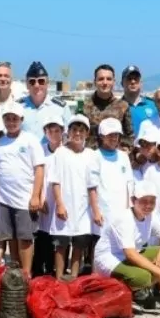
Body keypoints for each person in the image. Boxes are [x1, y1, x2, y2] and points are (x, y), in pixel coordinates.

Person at [92, 181, 160, 311]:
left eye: (152, 201)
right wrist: (159, 272)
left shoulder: (150, 216)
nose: (148, 206)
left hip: (133, 254)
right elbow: (130, 254)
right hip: (110, 258)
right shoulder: (124, 218)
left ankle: (140, 291)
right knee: (142, 276)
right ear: (133, 200)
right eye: (144, 201)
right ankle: (132, 292)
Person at [0, 102, 46, 275]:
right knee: (10, 237)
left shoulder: (30, 140)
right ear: (3, 120)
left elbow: (39, 169)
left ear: (21, 120)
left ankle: (26, 274)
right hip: (3, 200)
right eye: (8, 119)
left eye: (15, 119)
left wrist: (35, 196)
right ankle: (15, 271)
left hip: (24, 200)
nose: (11, 122)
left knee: (25, 238)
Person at [46, 115, 100, 280]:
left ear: (87, 133)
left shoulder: (91, 154)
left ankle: (74, 278)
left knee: (79, 244)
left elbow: (92, 186)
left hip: (83, 209)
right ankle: (59, 277)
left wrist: (95, 210)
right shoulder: (60, 152)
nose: (77, 133)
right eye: (74, 130)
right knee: (61, 245)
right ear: (68, 132)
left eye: (81, 130)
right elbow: (55, 181)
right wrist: (60, 204)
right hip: (64, 205)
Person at [33, 113, 66, 277]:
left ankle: (57, 272)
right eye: (50, 130)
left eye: (57, 130)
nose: (54, 134)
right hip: (44, 201)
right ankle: (39, 272)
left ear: (62, 131)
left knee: (60, 239)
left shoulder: (67, 152)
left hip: (61, 202)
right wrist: (39, 196)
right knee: (42, 237)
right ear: (45, 132)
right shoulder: (40, 151)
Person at [93, 119, 134, 237]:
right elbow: (92, 187)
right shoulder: (94, 156)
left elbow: (129, 183)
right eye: (109, 135)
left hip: (122, 211)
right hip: (103, 211)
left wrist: (130, 208)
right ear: (101, 136)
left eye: (116, 135)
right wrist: (96, 211)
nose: (113, 138)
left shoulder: (124, 156)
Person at [81, 64, 134, 145]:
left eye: (109, 79)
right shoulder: (84, 106)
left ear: (113, 82)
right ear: (95, 82)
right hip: (91, 155)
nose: (105, 82)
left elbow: (130, 137)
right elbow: (77, 133)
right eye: (101, 79)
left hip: (114, 155)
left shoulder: (123, 106)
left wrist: (125, 149)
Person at [19, 61, 68, 139]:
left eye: (41, 81)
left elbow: (68, 135)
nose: (37, 85)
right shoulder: (18, 107)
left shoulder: (61, 107)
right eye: (32, 82)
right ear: (27, 85)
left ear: (47, 83)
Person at [121, 65, 158, 135]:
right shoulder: (117, 107)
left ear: (141, 82)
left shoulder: (153, 105)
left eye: (136, 78)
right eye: (129, 79)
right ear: (122, 83)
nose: (133, 82)